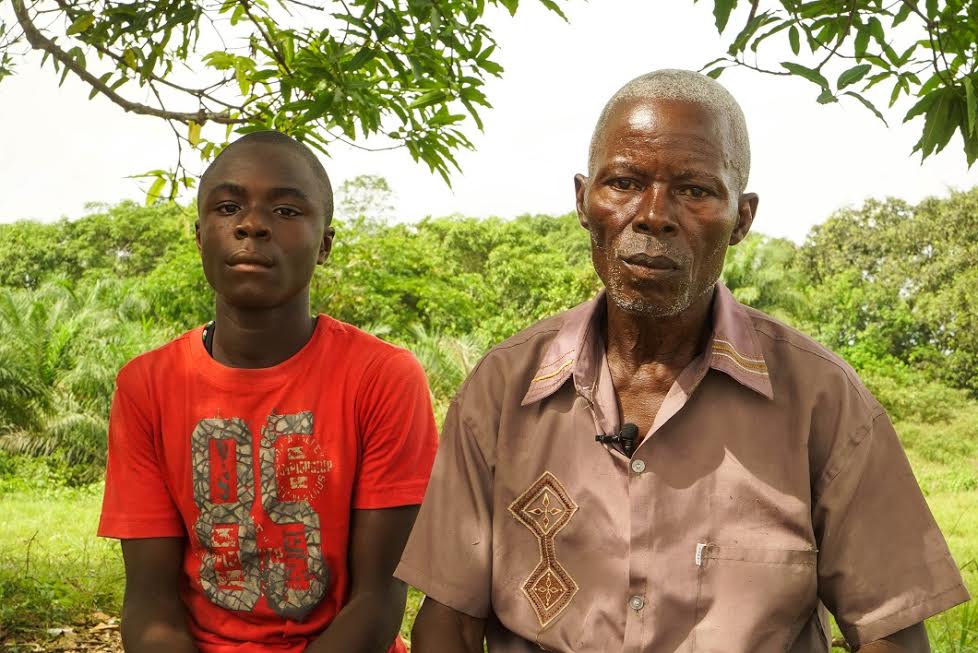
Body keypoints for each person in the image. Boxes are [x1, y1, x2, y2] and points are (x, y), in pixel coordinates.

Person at [395, 70, 970, 653]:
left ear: (742, 218)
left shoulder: (822, 398)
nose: (653, 215)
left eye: (695, 190)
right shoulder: (501, 390)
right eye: (623, 182)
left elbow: (891, 633)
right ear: (582, 200)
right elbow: (449, 623)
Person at [98, 130, 438, 653]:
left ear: (325, 244)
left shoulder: (382, 377)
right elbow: (149, 603)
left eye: (285, 211)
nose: (251, 225)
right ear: (199, 235)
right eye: (229, 206)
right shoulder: (146, 386)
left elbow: (377, 600)